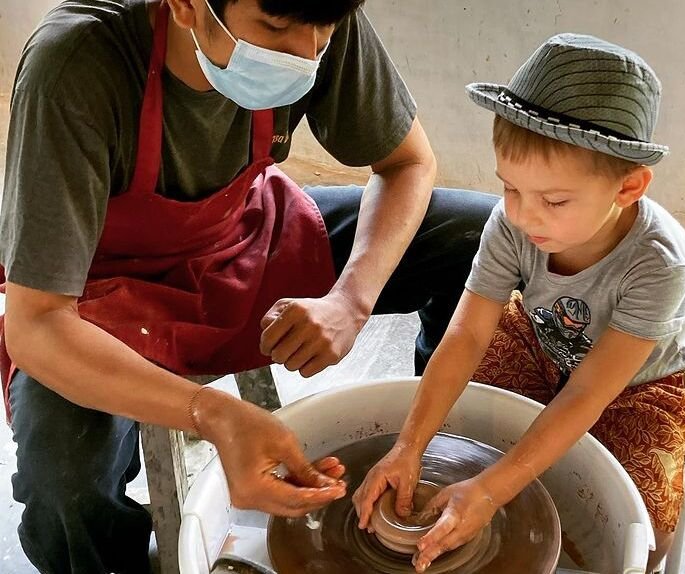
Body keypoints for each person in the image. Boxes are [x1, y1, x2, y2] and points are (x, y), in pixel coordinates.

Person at [0, 0, 497, 571]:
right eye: (277, 30)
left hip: (247, 237)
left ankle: (439, 455)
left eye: (324, 32)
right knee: (63, 483)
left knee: (479, 236)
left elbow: (409, 164)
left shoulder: (313, 15)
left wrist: (351, 300)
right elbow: (36, 324)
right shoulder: (75, 65)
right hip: (96, 296)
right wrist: (212, 414)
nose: (307, 55)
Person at [353, 33, 685, 573]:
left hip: (637, 384)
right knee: (464, 436)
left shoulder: (661, 263)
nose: (522, 215)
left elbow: (588, 392)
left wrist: (491, 492)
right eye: (509, 188)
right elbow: (467, 335)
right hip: (541, 337)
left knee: (640, 524)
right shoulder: (512, 222)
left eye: (553, 200)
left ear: (629, 187)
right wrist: (407, 444)